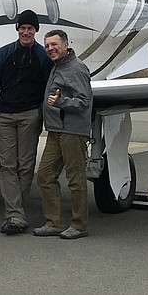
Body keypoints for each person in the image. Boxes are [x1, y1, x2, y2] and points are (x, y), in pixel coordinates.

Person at [0, 9, 52, 235]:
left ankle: (16, 210)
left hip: (29, 116)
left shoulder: (43, 56)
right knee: (7, 165)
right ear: (17, 29)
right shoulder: (4, 54)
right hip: (5, 116)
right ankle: (14, 214)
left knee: (25, 164)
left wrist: (40, 115)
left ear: (35, 31)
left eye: (30, 28)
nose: (26, 32)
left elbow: (48, 87)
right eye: (22, 28)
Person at [32, 29, 93, 240]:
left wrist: (60, 103)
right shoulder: (58, 67)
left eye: (54, 44)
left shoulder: (76, 68)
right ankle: (54, 222)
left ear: (66, 45)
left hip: (72, 132)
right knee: (45, 176)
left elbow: (84, 103)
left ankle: (79, 225)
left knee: (76, 180)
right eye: (47, 45)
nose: (50, 49)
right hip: (56, 131)